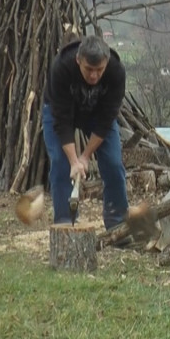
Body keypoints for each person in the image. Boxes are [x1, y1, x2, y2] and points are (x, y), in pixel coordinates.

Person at [42, 34, 128, 230]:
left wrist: (86, 156)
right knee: (60, 163)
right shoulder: (62, 67)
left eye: (99, 70)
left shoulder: (115, 71)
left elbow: (106, 120)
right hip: (61, 111)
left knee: (114, 164)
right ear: (78, 60)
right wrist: (74, 161)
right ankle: (65, 225)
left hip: (97, 114)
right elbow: (62, 122)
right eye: (89, 69)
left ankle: (117, 226)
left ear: (106, 63)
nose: (94, 76)